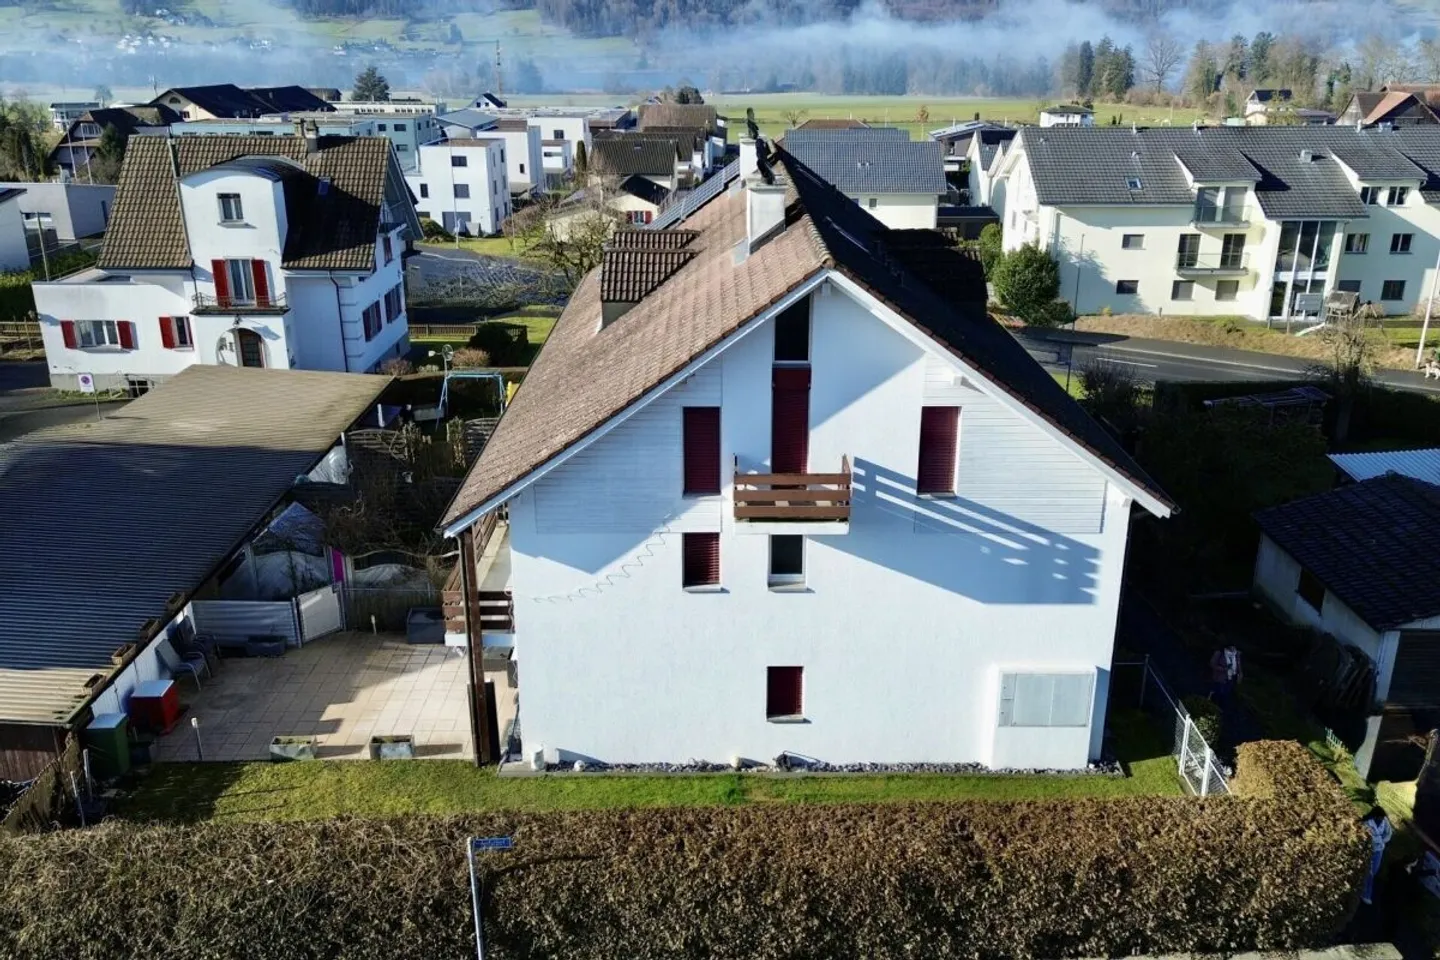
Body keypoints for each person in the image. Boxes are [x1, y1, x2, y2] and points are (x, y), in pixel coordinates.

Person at [1362, 806, 1393, 905]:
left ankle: (1364, 891)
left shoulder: (1384, 821)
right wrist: (1377, 840)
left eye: (1383, 818)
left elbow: (1388, 833)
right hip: (1368, 849)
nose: (1382, 819)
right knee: (1368, 871)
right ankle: (1366, 894)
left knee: (1373, 871)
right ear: (1375, 816)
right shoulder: (1367, 822)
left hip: (1379, 850)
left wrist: (1382, 841)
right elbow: (1367, 837)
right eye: (1380, 817)